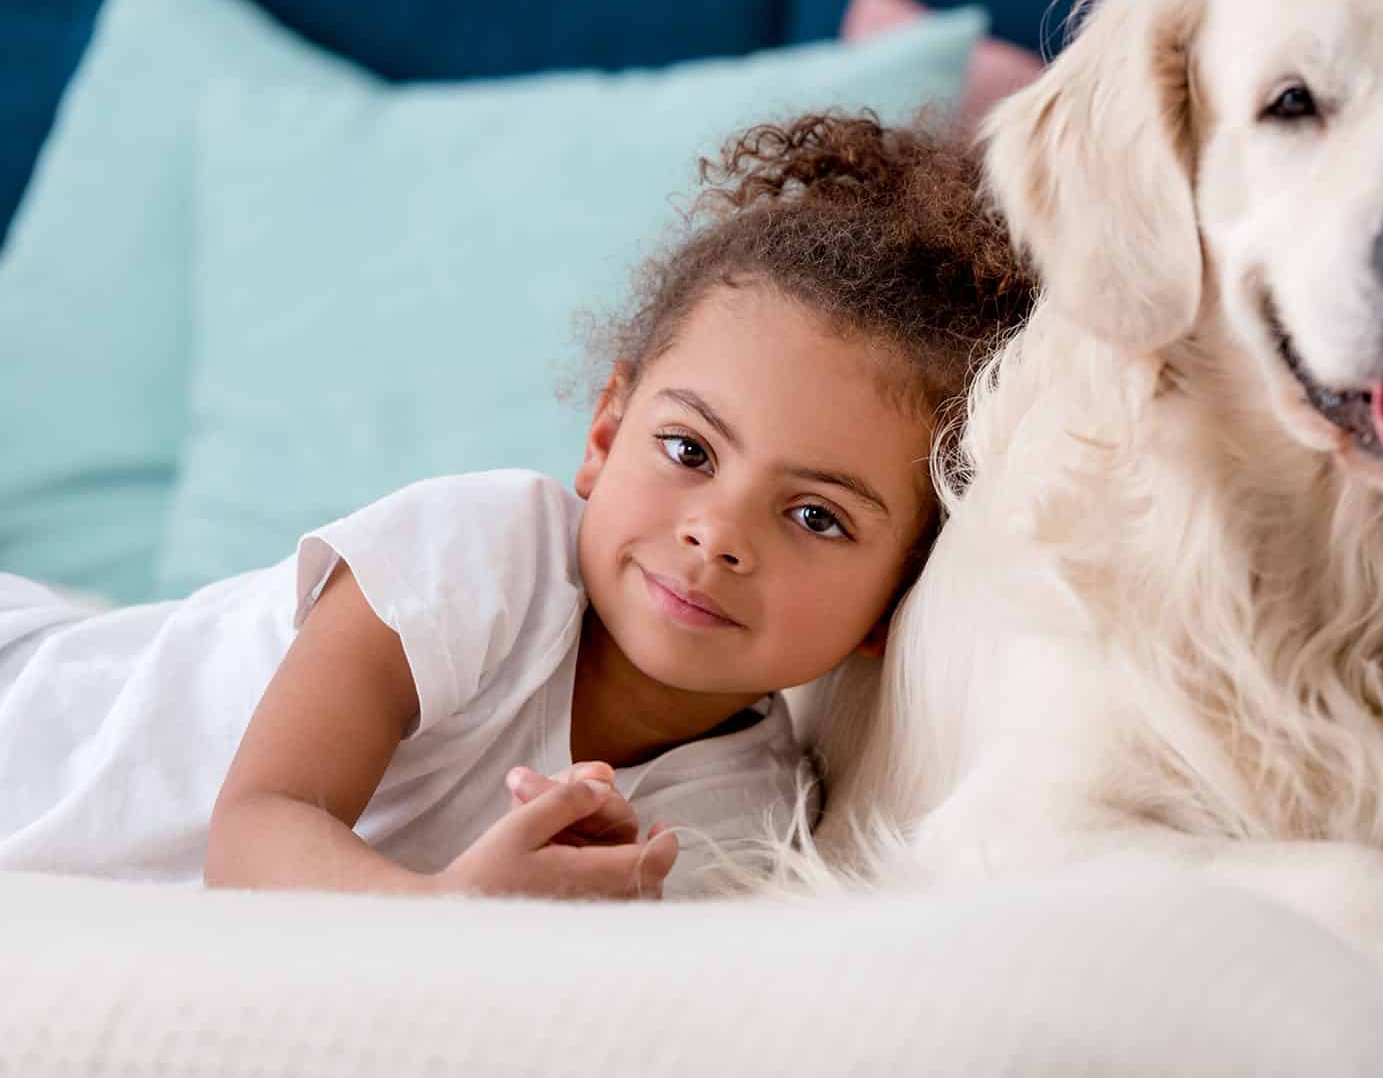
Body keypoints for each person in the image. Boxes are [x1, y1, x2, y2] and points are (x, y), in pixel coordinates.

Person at [0, 112, 1033, 900]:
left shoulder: (744, 814)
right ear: (602, 436)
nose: (716, 535)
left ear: (891, 610)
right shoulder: (481, 556)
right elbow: (258, 828)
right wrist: (452, 913)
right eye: (687, 450)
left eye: (816, 518)